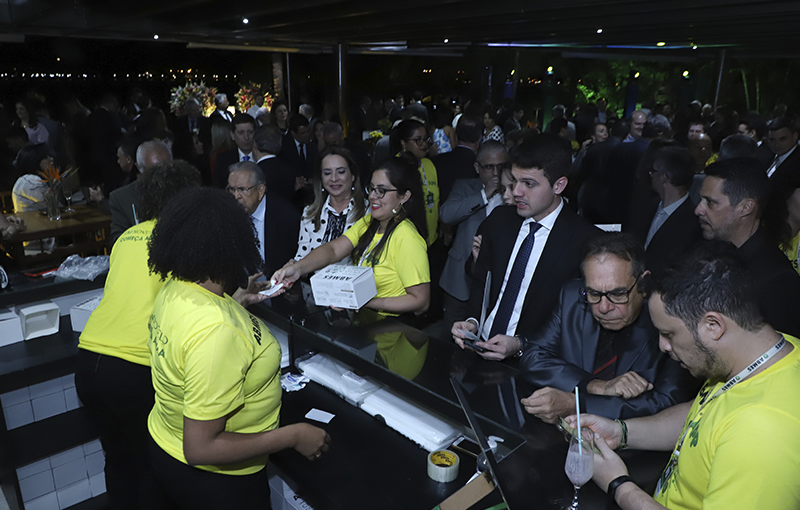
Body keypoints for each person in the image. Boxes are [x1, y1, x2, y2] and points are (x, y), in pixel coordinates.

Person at [570, 242, 800, 510]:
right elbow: (703, 415)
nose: (663, 346)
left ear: (713, 325)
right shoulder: (766, 350)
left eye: (669, 334)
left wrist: (619, 484)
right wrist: (621, 432)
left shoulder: (762, 432)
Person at [146, 187, 330, 509]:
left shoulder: (177, 288)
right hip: (217, 481)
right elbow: (200, 448)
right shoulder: (217, 331)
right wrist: (294, 436)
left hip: (165, 444)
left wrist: (234, 302)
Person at [75, 161, 203, 510]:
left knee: (118, 459)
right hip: (134, 367)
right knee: (151, 465)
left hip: (89, 360)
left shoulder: (127, 237)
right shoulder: (179, 239)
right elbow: (199, 301)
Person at [519, 233, 698, 423]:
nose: (604, 307)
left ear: (644, 284)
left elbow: (669, 402)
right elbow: (534, 356)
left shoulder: (668, 318)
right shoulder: (572, 297)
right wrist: (596, 386)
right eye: (594, 293)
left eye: (618, 294)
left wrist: (578, 404)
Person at [451, 135, 599, 359]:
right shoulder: (499, 220)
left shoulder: (586, 241)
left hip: (537, 363)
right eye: (514, 181)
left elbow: (580, 321)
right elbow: (481, 283)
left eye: (529, 184)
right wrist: (473, 322)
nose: (516, 192)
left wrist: (521, 344)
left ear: (559, 185)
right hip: (480, 351)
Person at [272, 155, 430, 318]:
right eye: (372, 188)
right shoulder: (371, 222)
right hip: (366, 322)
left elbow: (421, 301)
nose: (372, 196)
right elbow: (334, 249)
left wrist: (362, 301)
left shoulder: (407, 237)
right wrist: (297, 269)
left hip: (391, 327)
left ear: (404, 196)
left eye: (381, 191)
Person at [695, 157, 800, 337]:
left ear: (746, 208)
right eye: (701, 200)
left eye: (710, 202)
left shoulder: (777, 280)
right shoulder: (707, 252)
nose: (698, 209)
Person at [439, 140, 508, 337]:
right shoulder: (464, 187)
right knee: (451, 336)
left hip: (497, 281)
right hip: (460, 281)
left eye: (501, 166)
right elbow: (446, 215)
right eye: (489, 167)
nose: (496, 173)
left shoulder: (514, 193)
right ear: (477, 168)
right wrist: (484, 194)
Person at [624, 147, 702, 274]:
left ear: (664, 177)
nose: (650, 175)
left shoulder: (694, 223)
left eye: (653, 171)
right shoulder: (646, 206)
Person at [227, 161, 299, 277]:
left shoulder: (286, 217)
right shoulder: (226, 214)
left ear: (260, 190)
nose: (236, 196)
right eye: (232, 189)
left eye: (242, 189)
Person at [295, 146, 366, 261]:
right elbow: (301, 257)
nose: (334, 178)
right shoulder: (310, 212)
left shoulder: (368, 211)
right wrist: (293, 265)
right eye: (327, 173)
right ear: (321, 178)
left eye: (341, 172)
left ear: (352, 175)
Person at [108, 140, 172, 245]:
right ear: (139, 168)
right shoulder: (122, 198)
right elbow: (117, 240)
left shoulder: (185, 190)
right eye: (154, 171)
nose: (161, 177)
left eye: (166, 170)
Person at [393, 119, 439, 246]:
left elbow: (437, 199)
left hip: (432, 239)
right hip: (407, 241)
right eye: (418, 140)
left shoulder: (429, 164)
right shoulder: (393, 168)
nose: (424, 144)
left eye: (425, 139)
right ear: (404, 143)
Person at [212, 114, 256, 189]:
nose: (246, 137)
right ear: (232, 135)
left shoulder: (264, 157)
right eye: (241, 133)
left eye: (250, 132)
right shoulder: (223, 160)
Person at [11, 143, 53, 212]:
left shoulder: (26, 178)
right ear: (34, 161)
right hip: (33, 219)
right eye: (45, 157)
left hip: (30, 218)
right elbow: (53, 205)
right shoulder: (32, 181)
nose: (51, 159)